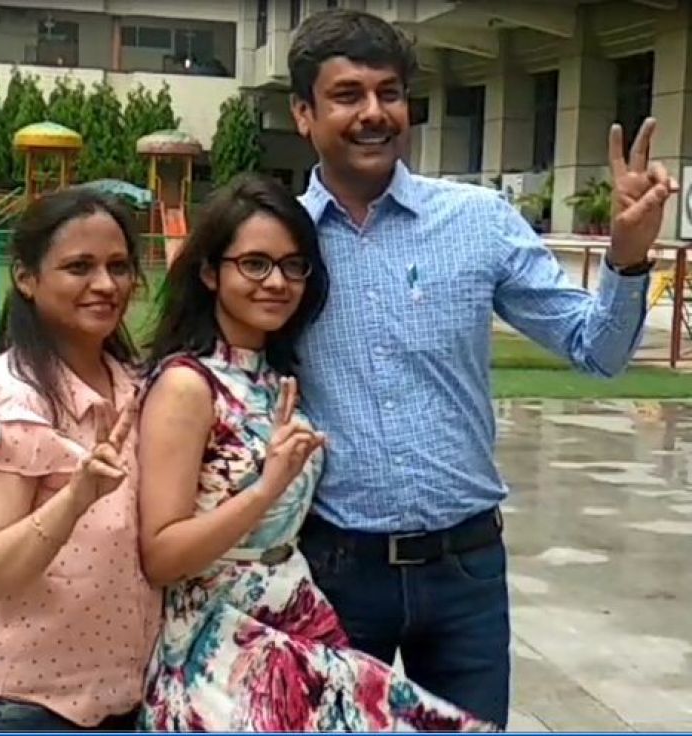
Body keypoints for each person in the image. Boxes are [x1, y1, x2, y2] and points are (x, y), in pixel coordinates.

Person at [287, 8, 678, 728]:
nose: (374, 113)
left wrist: (627, 257)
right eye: (347, 95)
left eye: (390, 93)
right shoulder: (278, 241)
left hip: (464, 571)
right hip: (332, 568)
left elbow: (597, 352)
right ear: (304, 112)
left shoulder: (478, 220)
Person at [137, 173, 496, 731]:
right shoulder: (189, 386)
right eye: (254, 263)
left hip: (296, 622)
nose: (276, 282)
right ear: (210, 272)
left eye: (292, 265)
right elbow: (161, 555)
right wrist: (266, 488)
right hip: (223, 649)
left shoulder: (274, 374)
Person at [0, 188, 161, 731]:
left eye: (118, 266)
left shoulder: (136, 387)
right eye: (79, 267)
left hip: (120, 698)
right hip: (22, 704)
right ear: (27, 278)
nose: (105, 285)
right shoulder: (13, 403)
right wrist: (75, 498)